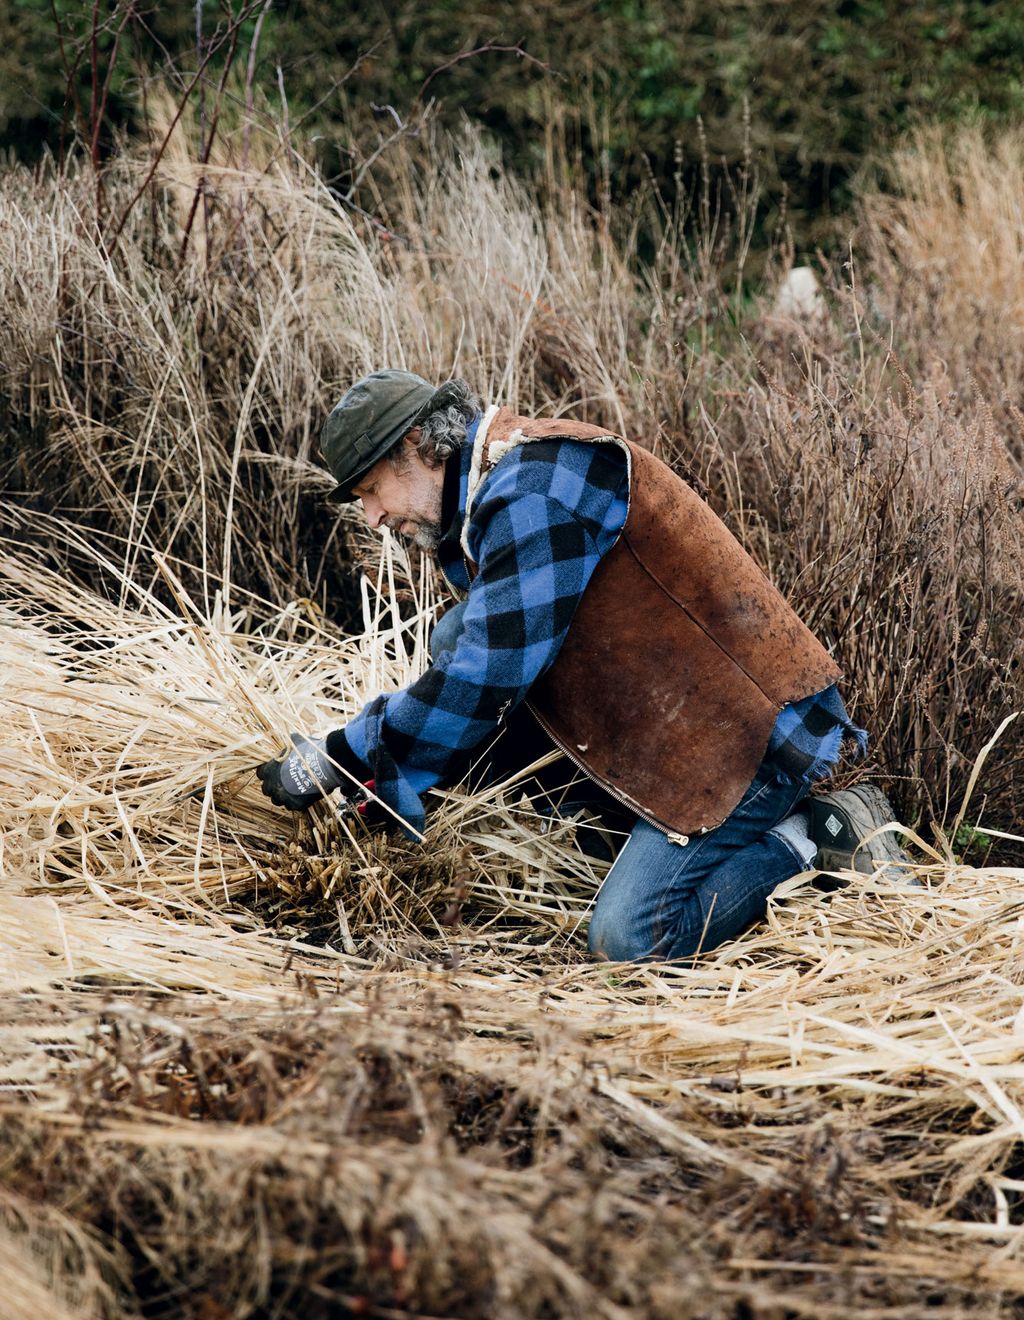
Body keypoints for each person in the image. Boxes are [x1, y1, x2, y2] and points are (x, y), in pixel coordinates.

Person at [257, 370, 907, 961]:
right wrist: (388, 785)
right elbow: (482, 663)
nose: (372, 518)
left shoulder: (532, 495)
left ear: (423, 444)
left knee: (629, 940)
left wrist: (343, 753)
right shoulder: (498, 487)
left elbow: (486, 680)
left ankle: (820, 834)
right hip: (669, 716)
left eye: (373, 490)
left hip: (747, 734)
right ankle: (619, 832)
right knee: (456, 635)